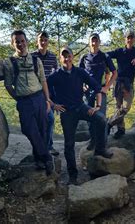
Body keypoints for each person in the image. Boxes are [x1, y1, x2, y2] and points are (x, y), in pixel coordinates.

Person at [47, 47, 113, 185]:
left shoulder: (80, 72)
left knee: (101, 119)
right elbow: (44, 90)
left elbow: (97, 87)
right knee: (69, 144)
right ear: (61, 58)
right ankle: (73, 175)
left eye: (69, 55)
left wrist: (98, 106)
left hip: (81, 107)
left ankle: (100, 149)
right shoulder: (55, 75)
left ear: (72, 57)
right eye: (64, 56)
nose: (67, 58)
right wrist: (53, 105)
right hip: (66, 112)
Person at [3, 30, 54, 175]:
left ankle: (39, 159)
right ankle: (47, 157)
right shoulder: (9, 63)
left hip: (39, 98)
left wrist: (47, 100)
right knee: (29, 129)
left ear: (27, 41)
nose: (20, 43)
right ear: (12, 43)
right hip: (24, 101)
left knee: (42, 129)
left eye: (22, 40)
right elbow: (8, 85)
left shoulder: (36, 60)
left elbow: (43, 80)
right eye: (16, 41)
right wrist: (18, 98)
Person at [106, 29, 135, 138]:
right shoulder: (119, 51)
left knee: (126, 107)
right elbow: (106, 55)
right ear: (125, 39)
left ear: (134, 39)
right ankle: (121, 130)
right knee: (118, 107)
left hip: (129, 83)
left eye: (131, 37)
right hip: (118, 82)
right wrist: (109, 69)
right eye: (127, 37)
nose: (129, 39)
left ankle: (109, 123)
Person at [78, 33, 117, 149]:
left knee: (101, 117)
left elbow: (115, 73)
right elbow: (78, 74)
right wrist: (81, 86)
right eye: (92, 41)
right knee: (89, 116)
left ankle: (102, 143)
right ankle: (93, 140)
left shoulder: (105, 56)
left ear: (99, 42)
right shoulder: (84, 57)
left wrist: (107, 87)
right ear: (89, 42)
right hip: (88, 91)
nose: (94, 43)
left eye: (96, 40)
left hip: (101, 90)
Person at [31, 31, 59, 156]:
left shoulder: (52, 57)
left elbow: (57, 75)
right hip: (36, 93)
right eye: (40, 39)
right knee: (44, 121)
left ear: (48, 41)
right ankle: (42, 148)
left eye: (45, 40)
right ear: (37, 41)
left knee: (49, 120)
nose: (43, 42)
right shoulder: (31, 57)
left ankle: (48, 146)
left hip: (49, 93)